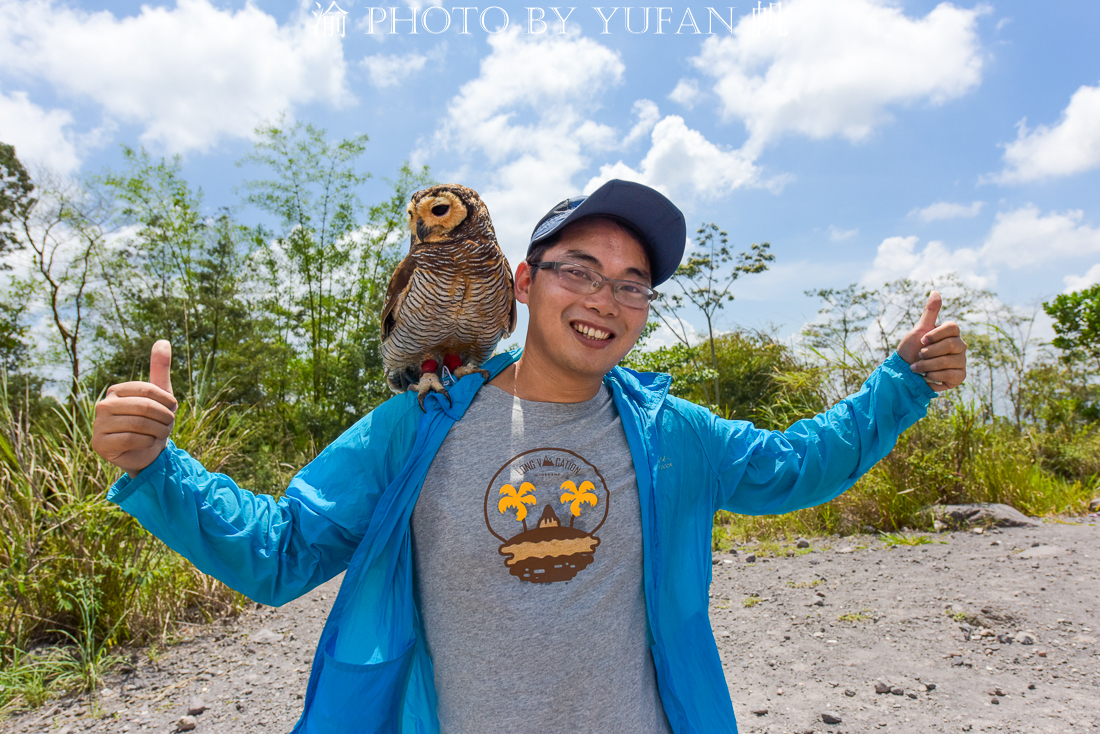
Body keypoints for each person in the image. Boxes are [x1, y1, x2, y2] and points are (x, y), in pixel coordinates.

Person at [91, 179, 967, 734]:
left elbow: (799, 464)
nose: (604, 299)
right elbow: (282, 552)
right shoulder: (417, 425)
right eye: (578, 270)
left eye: (632, 284)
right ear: (523, 280)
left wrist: (902, 384)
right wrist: (155, 468)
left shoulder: (672, 435)